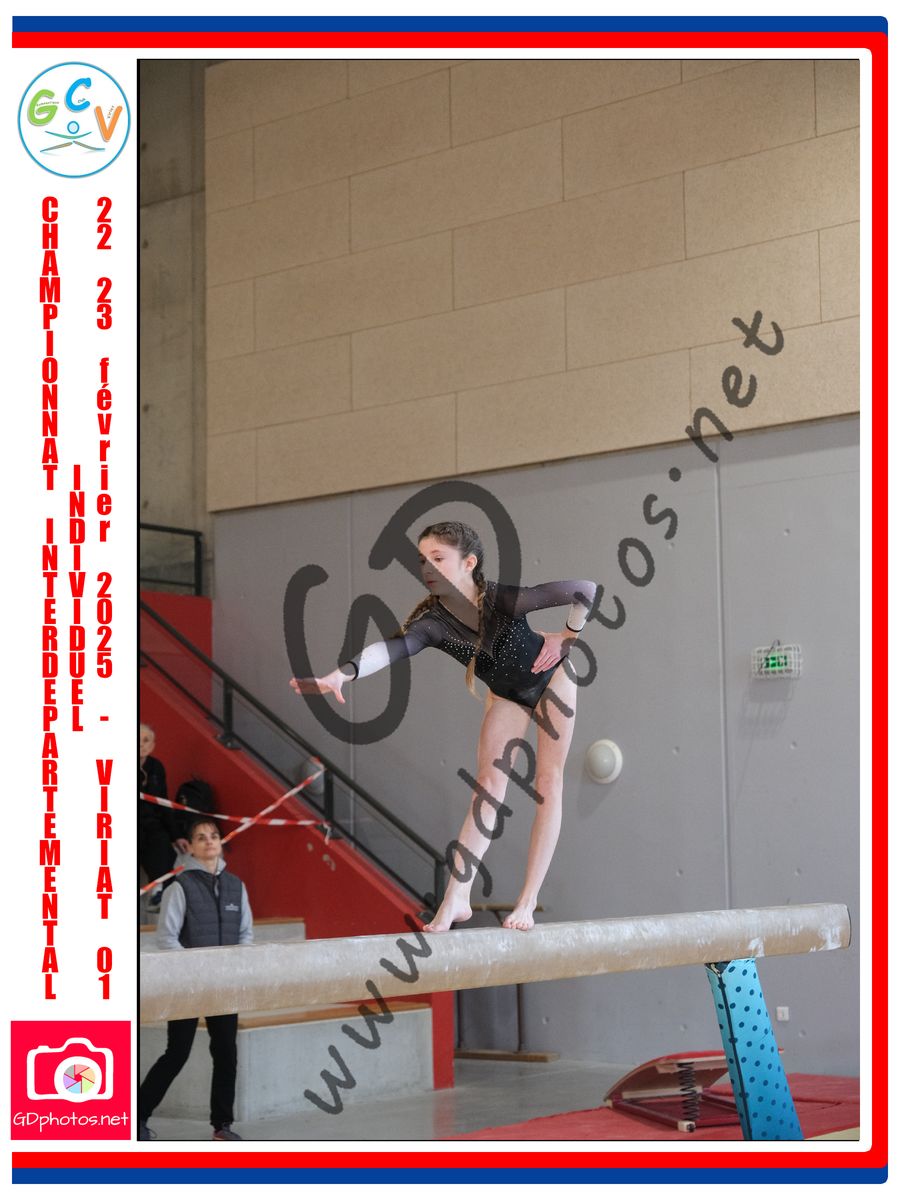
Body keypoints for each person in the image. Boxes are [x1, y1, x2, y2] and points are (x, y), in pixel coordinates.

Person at [290, 521, 597, 933]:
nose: (428, 568)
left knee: (548, 781)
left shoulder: (501, 599)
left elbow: (585, 590)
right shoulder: (433, 622)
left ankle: (527, 900)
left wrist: (567, 637)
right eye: (423, 560)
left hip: (553, 678)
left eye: (438, 558)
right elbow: (394, 647)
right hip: (507, 695)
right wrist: (343, 674)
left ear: (469, 563)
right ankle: (457, 897)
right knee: (488, 785)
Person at [139, 817, 253, 1142]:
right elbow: (166, 938)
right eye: (201, 837)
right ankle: (136, 1115)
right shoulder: (180, 886)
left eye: (214, 836)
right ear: (190, 846)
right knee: (177, 1053)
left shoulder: (236, 886)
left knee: (226, 1053)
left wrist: (237, 968)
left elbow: (245, 934)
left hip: (223, 985)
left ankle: (222, 1126)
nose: (209, 841)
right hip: (187, 985)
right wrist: (194, 971)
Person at [139, 724, 189, 908]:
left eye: (146, 741)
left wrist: (177, 836)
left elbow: (163, 803)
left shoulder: (156, 767)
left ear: (152, 745)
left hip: (151, 823)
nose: (141, 745)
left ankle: (160, 892)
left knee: (162, 844)